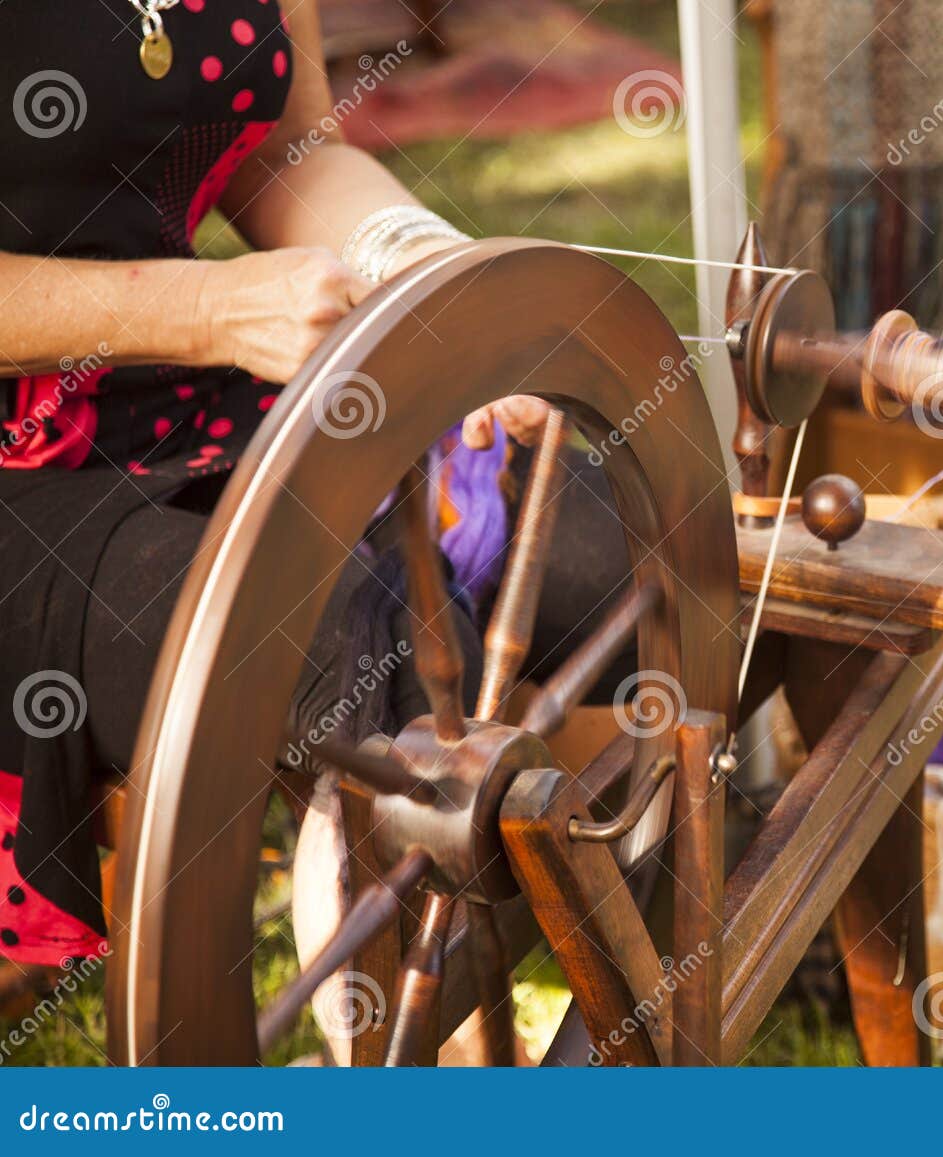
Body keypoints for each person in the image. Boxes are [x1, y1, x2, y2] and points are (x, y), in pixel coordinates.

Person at [0, 0, 608, 967]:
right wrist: (206, 308)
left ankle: (673, 939)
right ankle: (428, 1039)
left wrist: (420, 264)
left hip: (191, 398)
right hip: (25, 489)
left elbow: (286, 151)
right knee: (371, 646)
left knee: (620, 542)